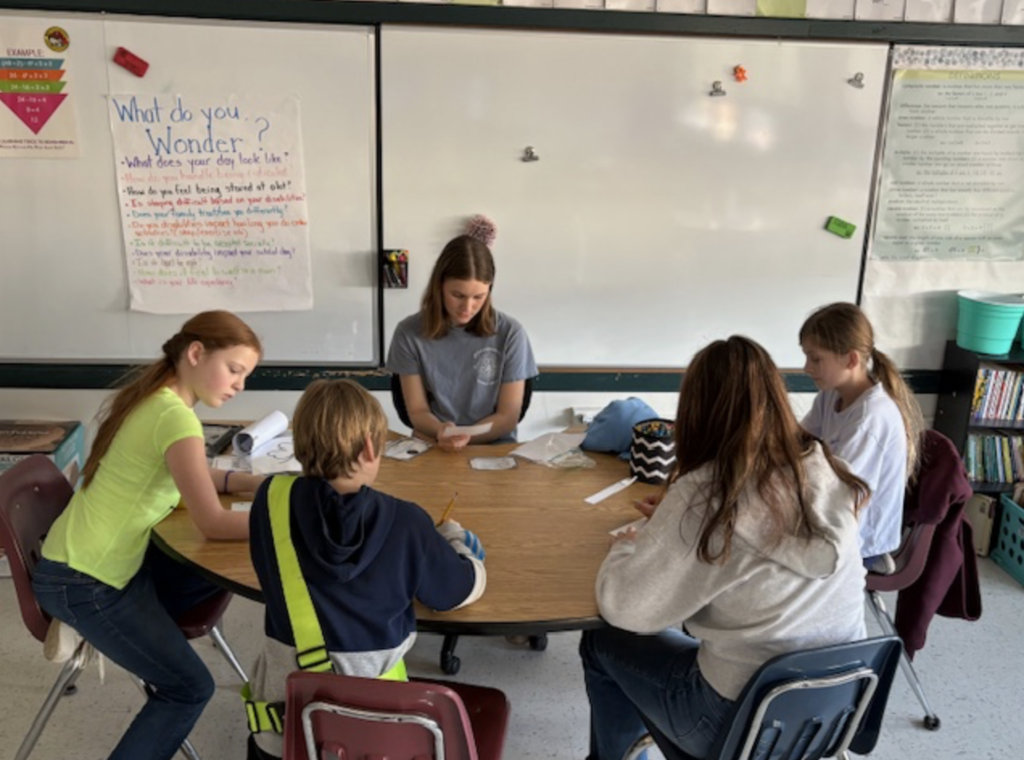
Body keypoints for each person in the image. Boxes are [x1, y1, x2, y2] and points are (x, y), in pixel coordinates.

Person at [579, 336, 869, 760]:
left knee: (602, 642)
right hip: (834, 709)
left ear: (697, 410)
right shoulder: (822, 466)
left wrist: (626, 548)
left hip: (738, 722)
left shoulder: (708, 494)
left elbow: (627, 609)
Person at [31, 310, 266, 760]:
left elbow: (193, 477)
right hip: (84, 581)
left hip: (91, 563)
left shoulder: (157, 400)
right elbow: (213, 523)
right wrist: (290, 518)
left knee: (208, 569)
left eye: (245, 375)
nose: (240, 385)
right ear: (196, 354)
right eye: (235, 370)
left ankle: (100, 629)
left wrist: (254, 485)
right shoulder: (175, 419)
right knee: (190, 688)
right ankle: (92, 625)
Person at [244, 379, 487, 760]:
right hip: (380, 744)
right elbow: (455, 592)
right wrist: (455, 545)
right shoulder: (406, 522)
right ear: (371, 448)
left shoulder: (270, 501)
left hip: (281, 739)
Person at [387, 233, 537, 451]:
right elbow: (417, 411)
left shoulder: (511, 333)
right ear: (439, 286)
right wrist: (441, 433)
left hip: (493, 448)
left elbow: (508, 416)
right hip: (431, 444)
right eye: (458, 295)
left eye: (478, 297)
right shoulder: (408, 333)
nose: (467, 307)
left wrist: (461, 438)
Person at [799, 302, 924, 562]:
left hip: (861, 539)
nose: (806, 368)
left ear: (851, 359)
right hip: (837, 517)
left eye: (816, 358)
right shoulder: (830, 395)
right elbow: (798, 440)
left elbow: (838, 489)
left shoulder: (870, 418)